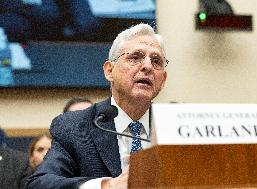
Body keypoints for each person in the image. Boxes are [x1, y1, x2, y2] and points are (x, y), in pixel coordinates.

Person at [25, 23, 168, 189]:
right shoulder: (75, 127)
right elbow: (39, 184)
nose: (147, 66)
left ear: (163, 80)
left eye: (156, 61)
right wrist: (107, 185)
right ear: (109, 71)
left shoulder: (174, 126)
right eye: (135, 57)